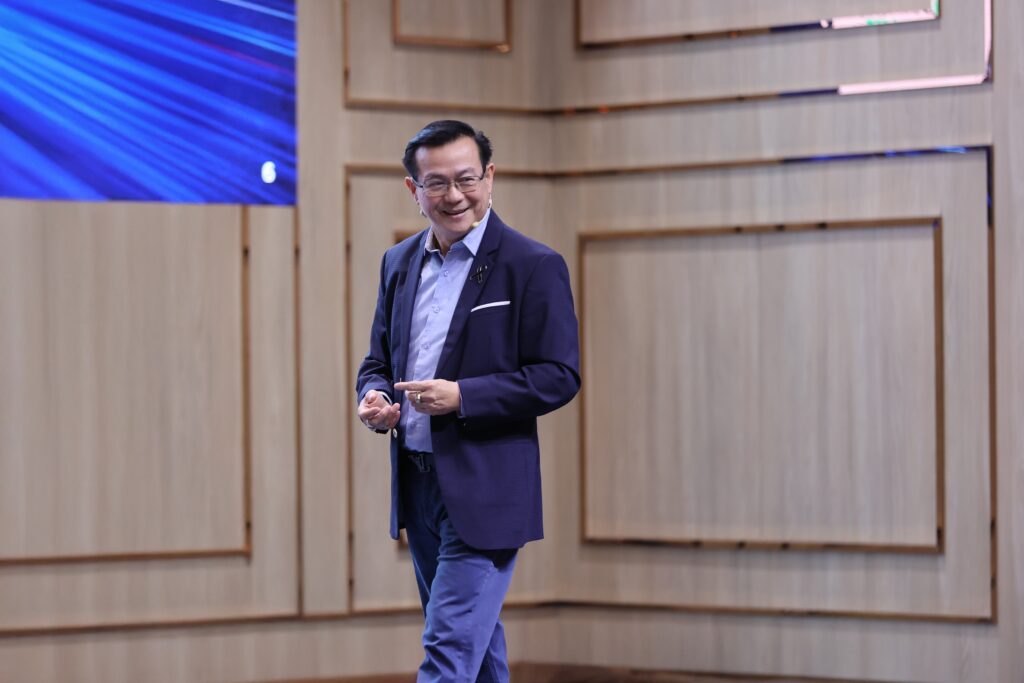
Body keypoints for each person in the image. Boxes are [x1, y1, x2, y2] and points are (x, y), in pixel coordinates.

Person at [355, 120, 581, 682]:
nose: (454, 195)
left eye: (466, 179)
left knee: (448, 648)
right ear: (414, 190)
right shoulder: (397, 263)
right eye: (436, 183)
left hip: (488, 489)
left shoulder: (532, 265)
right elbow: (378, 361)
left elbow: (559, 375)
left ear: (489, 177)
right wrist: (374, 397)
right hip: (418, 484)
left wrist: (463, 397)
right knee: (474, 655)